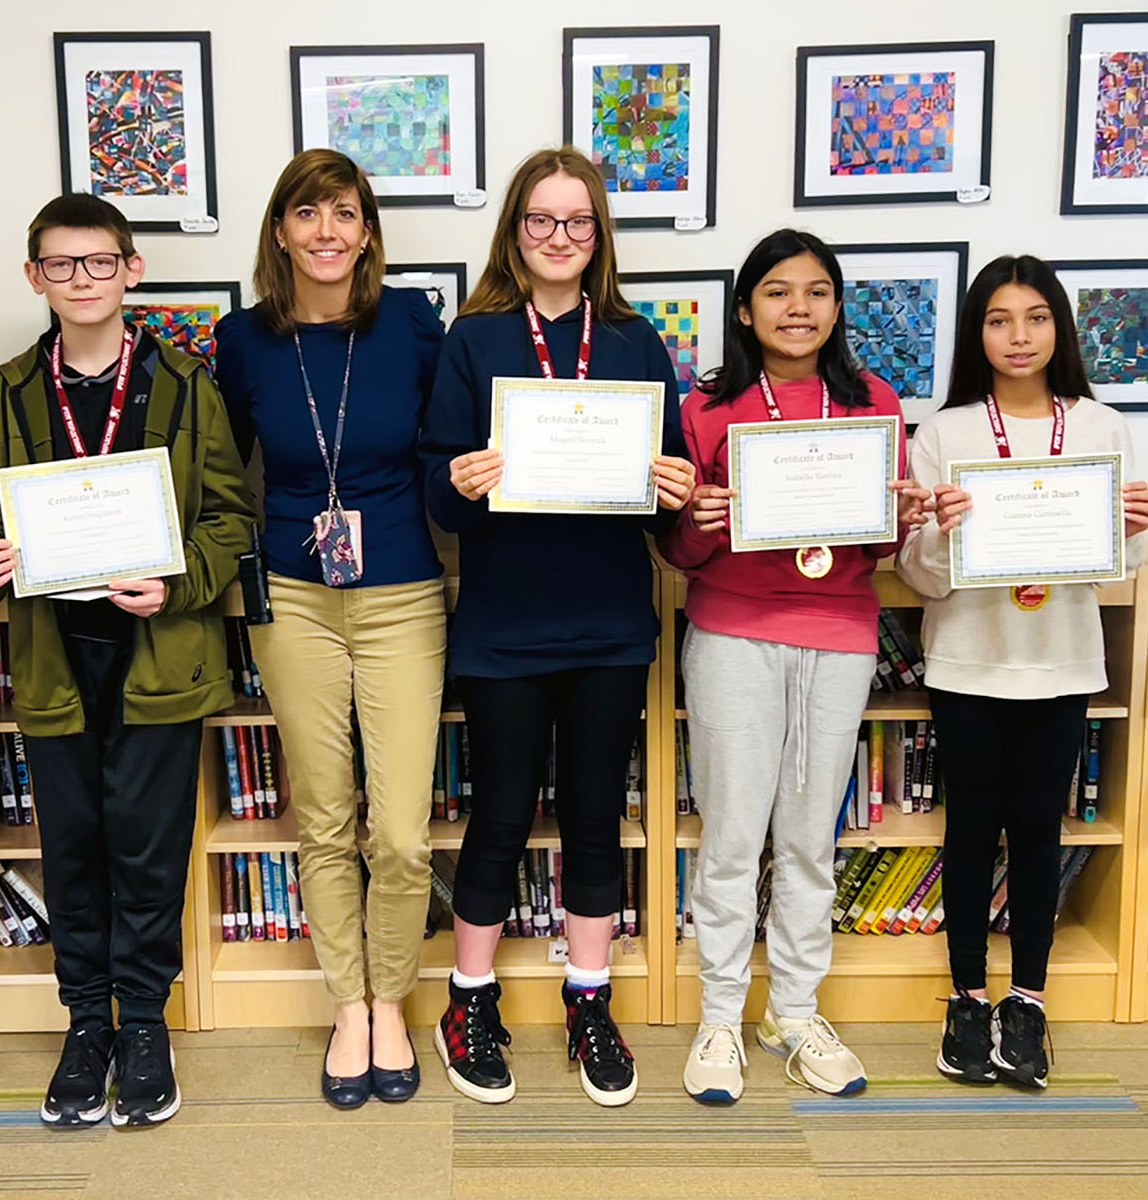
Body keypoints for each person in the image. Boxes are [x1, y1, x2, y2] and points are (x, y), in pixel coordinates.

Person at [0, 193, 255, 1128]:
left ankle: (145, 1024)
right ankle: (87, 1023)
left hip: (158, 656)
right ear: (35, 276)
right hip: (55, 659)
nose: (81, 279)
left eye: (99, 262)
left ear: (132, 270)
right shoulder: (5, 392)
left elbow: (230, 518)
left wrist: (179, 582)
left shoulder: (186, 383)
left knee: (146, 851)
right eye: (61, 264)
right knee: (74, 847)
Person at [420, 146, 694, 1108]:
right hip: (505, 623)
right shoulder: (474, 340)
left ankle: (589, 998)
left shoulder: (633, 341)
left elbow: (664, 509)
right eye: (542, 219)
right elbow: (438, 499)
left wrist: (675, 485)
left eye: (578, 221)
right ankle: (468, 1000)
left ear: (599, 234)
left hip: (609, 623)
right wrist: (458, 480)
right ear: (515, 230)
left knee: (592, 815)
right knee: (499, 813)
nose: (560, 236)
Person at [660, 229, 930, 1103]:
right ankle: (719, 1016)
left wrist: (901, 517)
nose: (798, 309)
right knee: (733, 838)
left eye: (816, 292)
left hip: (839, 635)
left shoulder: (873, 400)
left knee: (812, 841)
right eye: (777, 293)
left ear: (837, 307)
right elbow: (678, 554)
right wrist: (698, 520)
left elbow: (877, 550)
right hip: (733, 635)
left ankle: (796, 1011)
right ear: (745, 310)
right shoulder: (707, 408)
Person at [214, 149, 447, 1109]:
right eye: (307, 214)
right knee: (322, 817)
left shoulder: (413, 323)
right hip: (293, 597)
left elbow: (453, 447)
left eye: (344, 213)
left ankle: (393, 998)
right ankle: (351, 1007)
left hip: (403, 593)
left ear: (366, 230)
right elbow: (221, 474)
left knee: (400, 834)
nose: (326, 232)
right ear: (280, 231)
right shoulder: (242, 339)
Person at [897, 255, 1148, 1088]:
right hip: (968, 660)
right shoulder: (945, 433)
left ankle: (1029, 1002)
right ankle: (968, 999)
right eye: (999, 319)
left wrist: (1131, 530)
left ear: (1059, 328)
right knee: (970, 828)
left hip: (1060, 660)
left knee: (1040, 830)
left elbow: (1114, 567)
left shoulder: (1102, 426)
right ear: (978, 333)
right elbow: (922, 576)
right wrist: (940, 532)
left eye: (1036, 317)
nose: (1019, 336)